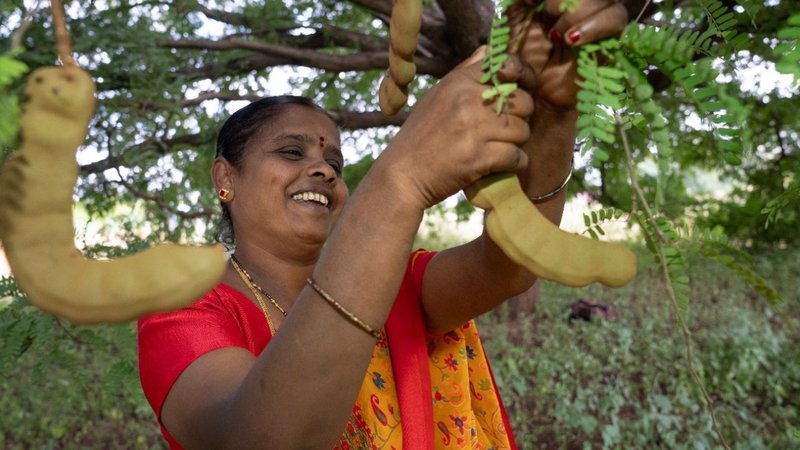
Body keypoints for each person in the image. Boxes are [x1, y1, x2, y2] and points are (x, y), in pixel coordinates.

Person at [137, 1, 628, 448]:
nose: (324, 169)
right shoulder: (183, 312)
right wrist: (399, 179)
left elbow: (508, 267)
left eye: (335, 160)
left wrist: (553, 113)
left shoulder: (399, 283)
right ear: (226, 178)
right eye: (291, 152)